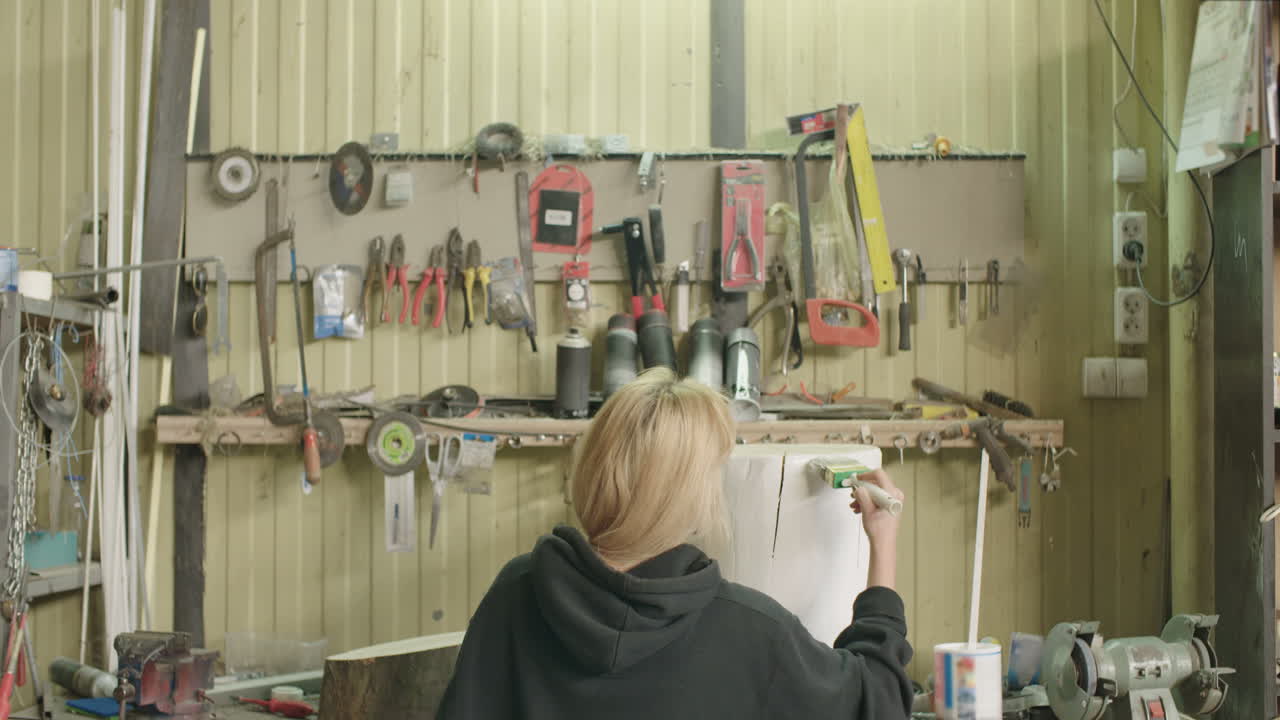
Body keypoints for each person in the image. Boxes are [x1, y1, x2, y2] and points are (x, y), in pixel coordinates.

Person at [437, 368, 912, 719]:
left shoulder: (518, 592)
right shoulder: (750, 631)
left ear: (593, 468)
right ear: (698, 494)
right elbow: (880, 703)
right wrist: (883, 544)